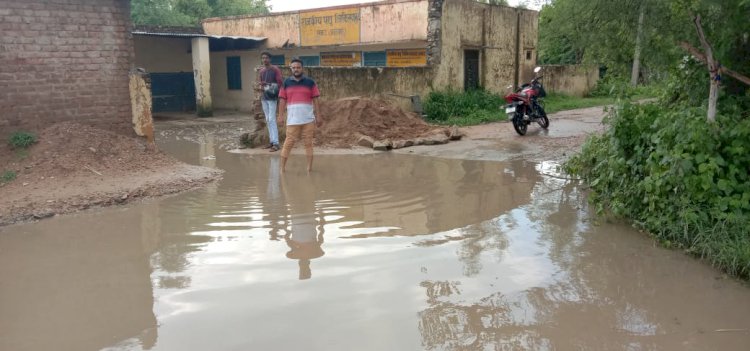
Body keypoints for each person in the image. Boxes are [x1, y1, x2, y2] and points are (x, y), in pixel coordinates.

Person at [277, 58, 322, 173]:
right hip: (293, 120)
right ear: (291, 69)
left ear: (302, 68)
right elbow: (282, 100)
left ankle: (309, 169)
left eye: (298, 67)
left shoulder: (310, 82)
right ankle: (282, 169)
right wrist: (280, 116)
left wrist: (319, 116)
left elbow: (316, 100)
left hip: (308, 120)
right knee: (288, 143)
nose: (296, 69)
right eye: (294, 67)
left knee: (308, 143)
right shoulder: (286, 83)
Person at [257, 51, 283, 152]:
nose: (264, 60)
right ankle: (272, 141)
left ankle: (276, 143)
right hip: (264, 97)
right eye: (263, 58)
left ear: (270, 59)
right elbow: (260, 83)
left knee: (272, 119)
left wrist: (266, 85)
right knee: (268, 119)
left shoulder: (275, 69)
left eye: (266, 58)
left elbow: (280, 83)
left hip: (272, 97)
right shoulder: (262, 71)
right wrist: (261, 86)